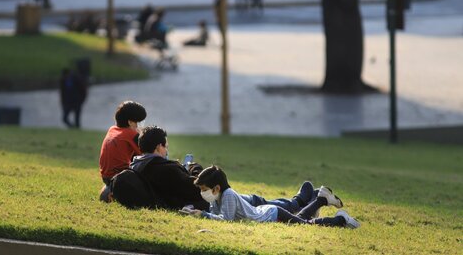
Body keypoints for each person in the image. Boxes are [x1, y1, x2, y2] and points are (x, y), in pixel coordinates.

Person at [131, 126, 331, 214]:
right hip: (209, 202)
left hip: (204, 201)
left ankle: (306, 199)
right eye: (165, 146)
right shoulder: (161, 169)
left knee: (256, 200)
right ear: (158, 147)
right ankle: (301, 201)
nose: (167, 150)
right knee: (258, 204)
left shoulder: (141, 163)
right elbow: (196, 187)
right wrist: (194, 167)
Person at [187, 165, 360, 229]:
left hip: (271, 214)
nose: (203, 193)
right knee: (300, 220)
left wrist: (204, 215)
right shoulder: (218, 198)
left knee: (305, 225)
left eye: (204, 189)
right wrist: (197, 213)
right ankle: (321, 199)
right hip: (267, 213)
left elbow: (226, 220)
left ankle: (341, 220)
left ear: (216, 187)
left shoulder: (229, 195)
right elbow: (216, 216)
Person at [99, 101, 147, 202]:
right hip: (120, 177)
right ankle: (113, 191)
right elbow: (146, 155)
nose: (138, 126)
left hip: (105, 176)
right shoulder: (131, 134)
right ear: (130, 122)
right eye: (137, 123)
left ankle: (109, 188)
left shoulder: (112, 129)